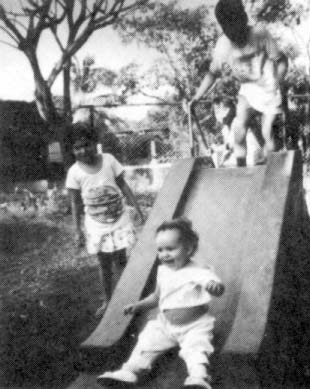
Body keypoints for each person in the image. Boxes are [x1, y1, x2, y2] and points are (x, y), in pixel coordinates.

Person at [97, 217, 224, 389]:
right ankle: (129, 371)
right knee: (147, 341)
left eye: (171, 249)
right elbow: (156, 297)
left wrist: (214, 287)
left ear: (189, 249)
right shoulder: (163, 271)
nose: (164, 254)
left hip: (194, 325)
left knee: (196, 347)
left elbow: (214, 284)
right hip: (165, 325)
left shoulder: (199, 270)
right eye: (160, 250)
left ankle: (198, 377)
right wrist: (138, 305)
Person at [191, 0, 288, 167]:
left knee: (267, 131)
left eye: (235, 27)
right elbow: (212, 73)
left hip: (268, 86)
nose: (233, 34)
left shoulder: (259, 33)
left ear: (243, 19)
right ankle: (241, 168)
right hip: (247, 90)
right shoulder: (223, 44)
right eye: (227, 29)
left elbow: (282, 60)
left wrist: (277, 83)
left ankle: (273, 168)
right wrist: (197, 97)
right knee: (238, 127)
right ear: (223, 27)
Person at [66, 122, 144, 317]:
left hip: (119, 220)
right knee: (104, 263)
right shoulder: (74, 172)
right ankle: (108, 301)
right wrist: (77, 230)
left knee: (121, 260)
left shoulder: (109, 160)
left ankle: (127, 298)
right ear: (71, 150)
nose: (83, 150)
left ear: (95, 143)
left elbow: (123, 186)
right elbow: (75, 204)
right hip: (96, 225)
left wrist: (136, 206)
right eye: (77, 147)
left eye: (87, 144)